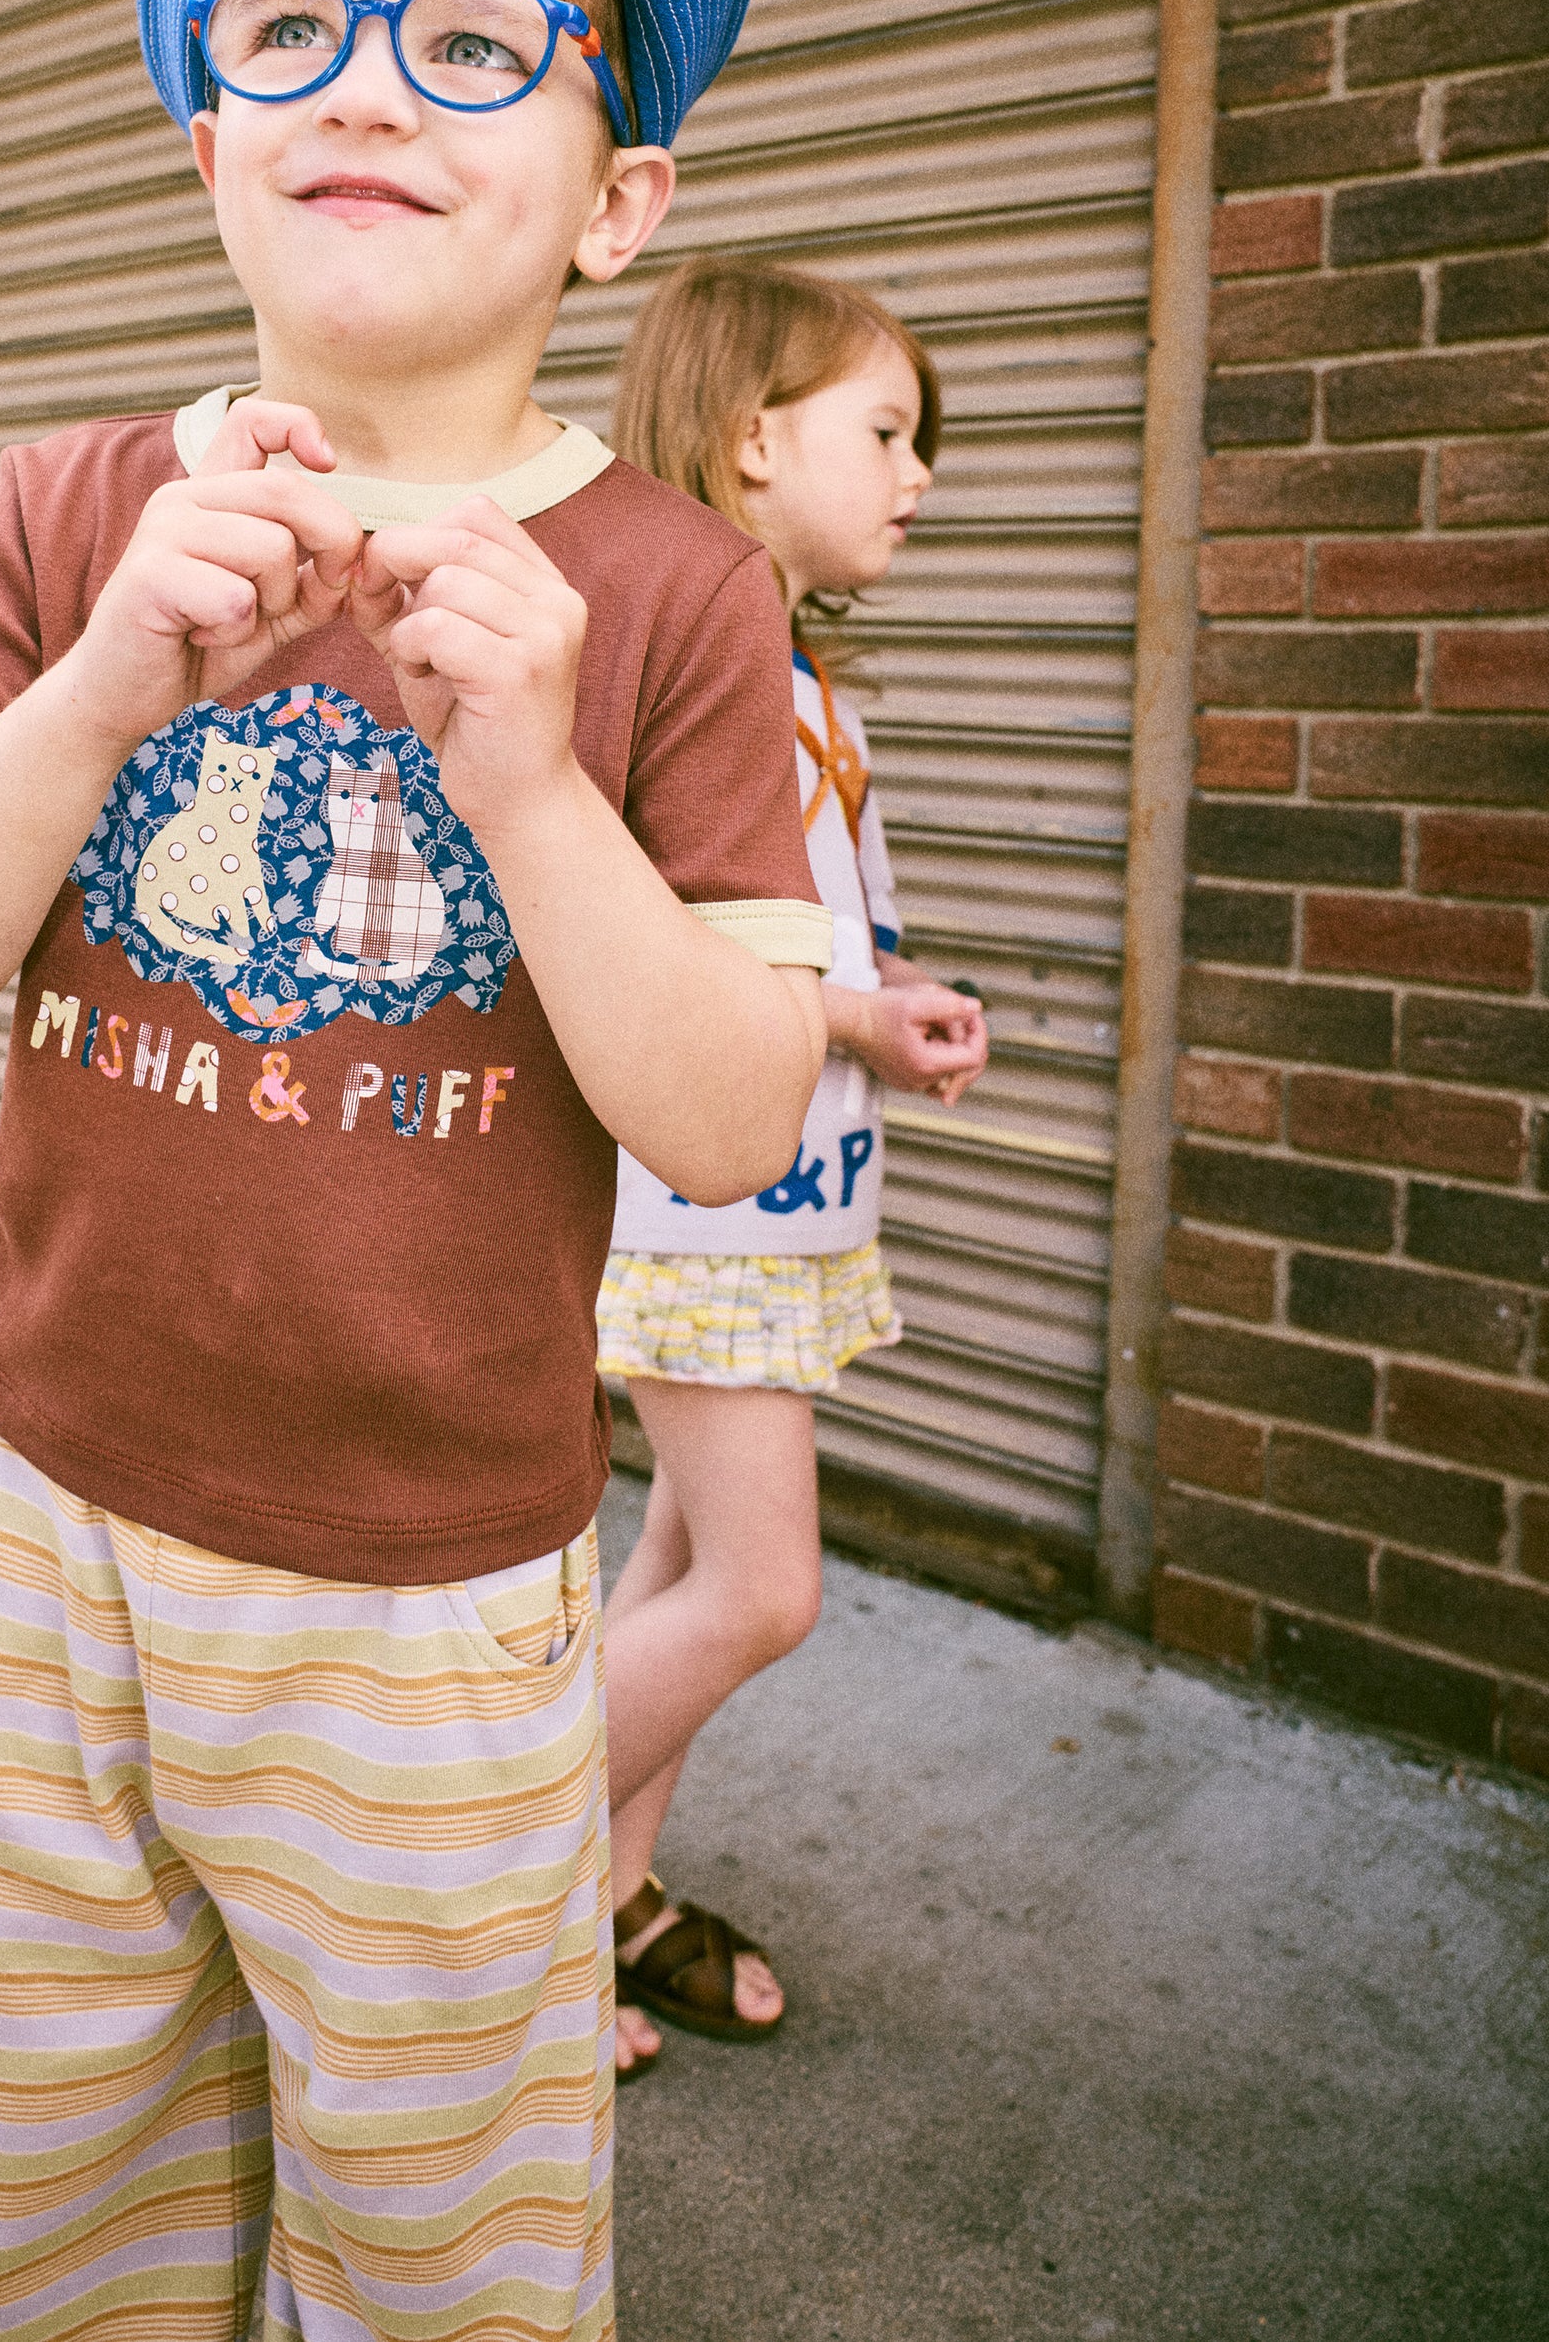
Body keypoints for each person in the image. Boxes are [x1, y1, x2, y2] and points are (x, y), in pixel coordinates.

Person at [0, 0, 836, 2342]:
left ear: (618, 200)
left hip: (431, 1601)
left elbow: (733, 1112)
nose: (364, 84)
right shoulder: (67, 509)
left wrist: (534, 785)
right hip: (47, 1534)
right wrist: (93, 695)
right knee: (45, 2179)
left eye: (471, 41)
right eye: (289, 27)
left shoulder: (680, 597)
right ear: (207, 141)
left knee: (435, 2232)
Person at [594, 257, 990, 2078]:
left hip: (788, 1195)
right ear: (753, 439)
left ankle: (602, 1895)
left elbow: (829, 934)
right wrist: (853, 1019)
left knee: (682, 1559)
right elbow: (668, 945)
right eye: (887, 432)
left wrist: (895, 1001)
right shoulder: (688, 655)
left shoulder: (810, 675)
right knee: (763, 1591)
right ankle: (461, 1889)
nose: (921, 474)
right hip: (698, 1202)